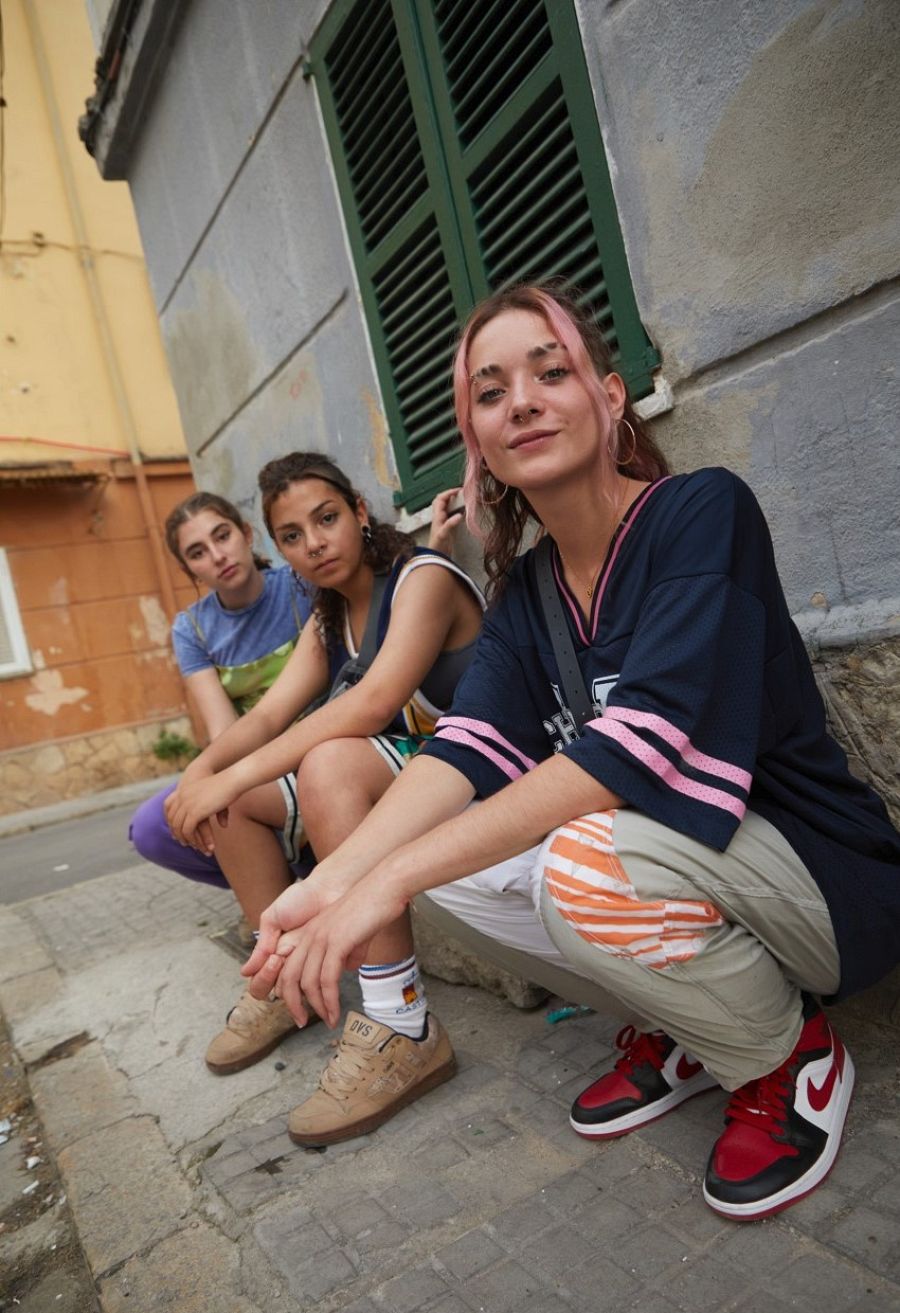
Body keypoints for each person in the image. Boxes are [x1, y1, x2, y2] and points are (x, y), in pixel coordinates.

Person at [243, 283, 900, 1221]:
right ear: (480, 443)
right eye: (491, 390)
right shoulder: (528, 592)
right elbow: (461, 753)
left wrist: (379, 884)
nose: (523, 400)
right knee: (450, 866)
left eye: (551, 371)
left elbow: (629, 750)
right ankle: (683, 1022)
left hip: (823, 882)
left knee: (575, 865)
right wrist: (332, 879)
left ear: (610, 394)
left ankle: (788, 1056)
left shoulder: (701, 513)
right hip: (689, 866)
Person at [165, 453, 484, 1131]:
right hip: (407, 774)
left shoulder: (421, 579)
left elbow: (371, 703)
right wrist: (200, 778)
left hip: (479, 770)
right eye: (291, 534)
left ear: (361, 512)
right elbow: (265, 717)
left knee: (329, 762)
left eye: (327, 518)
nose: (314, 542)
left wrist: (233, 770)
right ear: (276, 547)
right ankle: (279, 977)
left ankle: (402, 1021)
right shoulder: (326, 616)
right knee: (234, 801)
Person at [129, 491, 313, 895]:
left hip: (319, 744)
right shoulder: (192, 629)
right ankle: (274, 883)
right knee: (151, 827)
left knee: (224, 802)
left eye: (222, 536)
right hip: (250, 753)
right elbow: (223, 730)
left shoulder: (301, 585)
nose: (217, 555)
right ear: (190, 570)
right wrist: (217, 782)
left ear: (247, 535)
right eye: (198, 552)